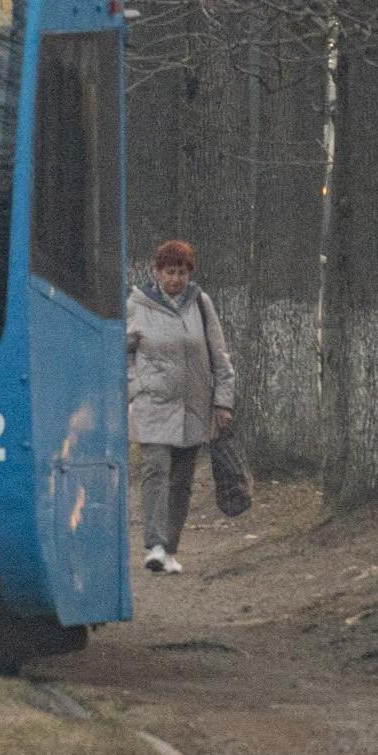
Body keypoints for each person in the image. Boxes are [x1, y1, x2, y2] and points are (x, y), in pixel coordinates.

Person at [125, 239, 236, 574]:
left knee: (182, 480)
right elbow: (121, 352)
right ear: (157, 272)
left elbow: (219, 355)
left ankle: (171, 548)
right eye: (169, 272)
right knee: (155, 469)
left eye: (181, 272)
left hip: (194, 406)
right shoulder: (136, 304)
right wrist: (136, 385)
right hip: (154, 403)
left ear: (190, 274)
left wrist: (223, 401)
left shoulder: (201, 304)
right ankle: (154, 545)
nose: (175, 279)